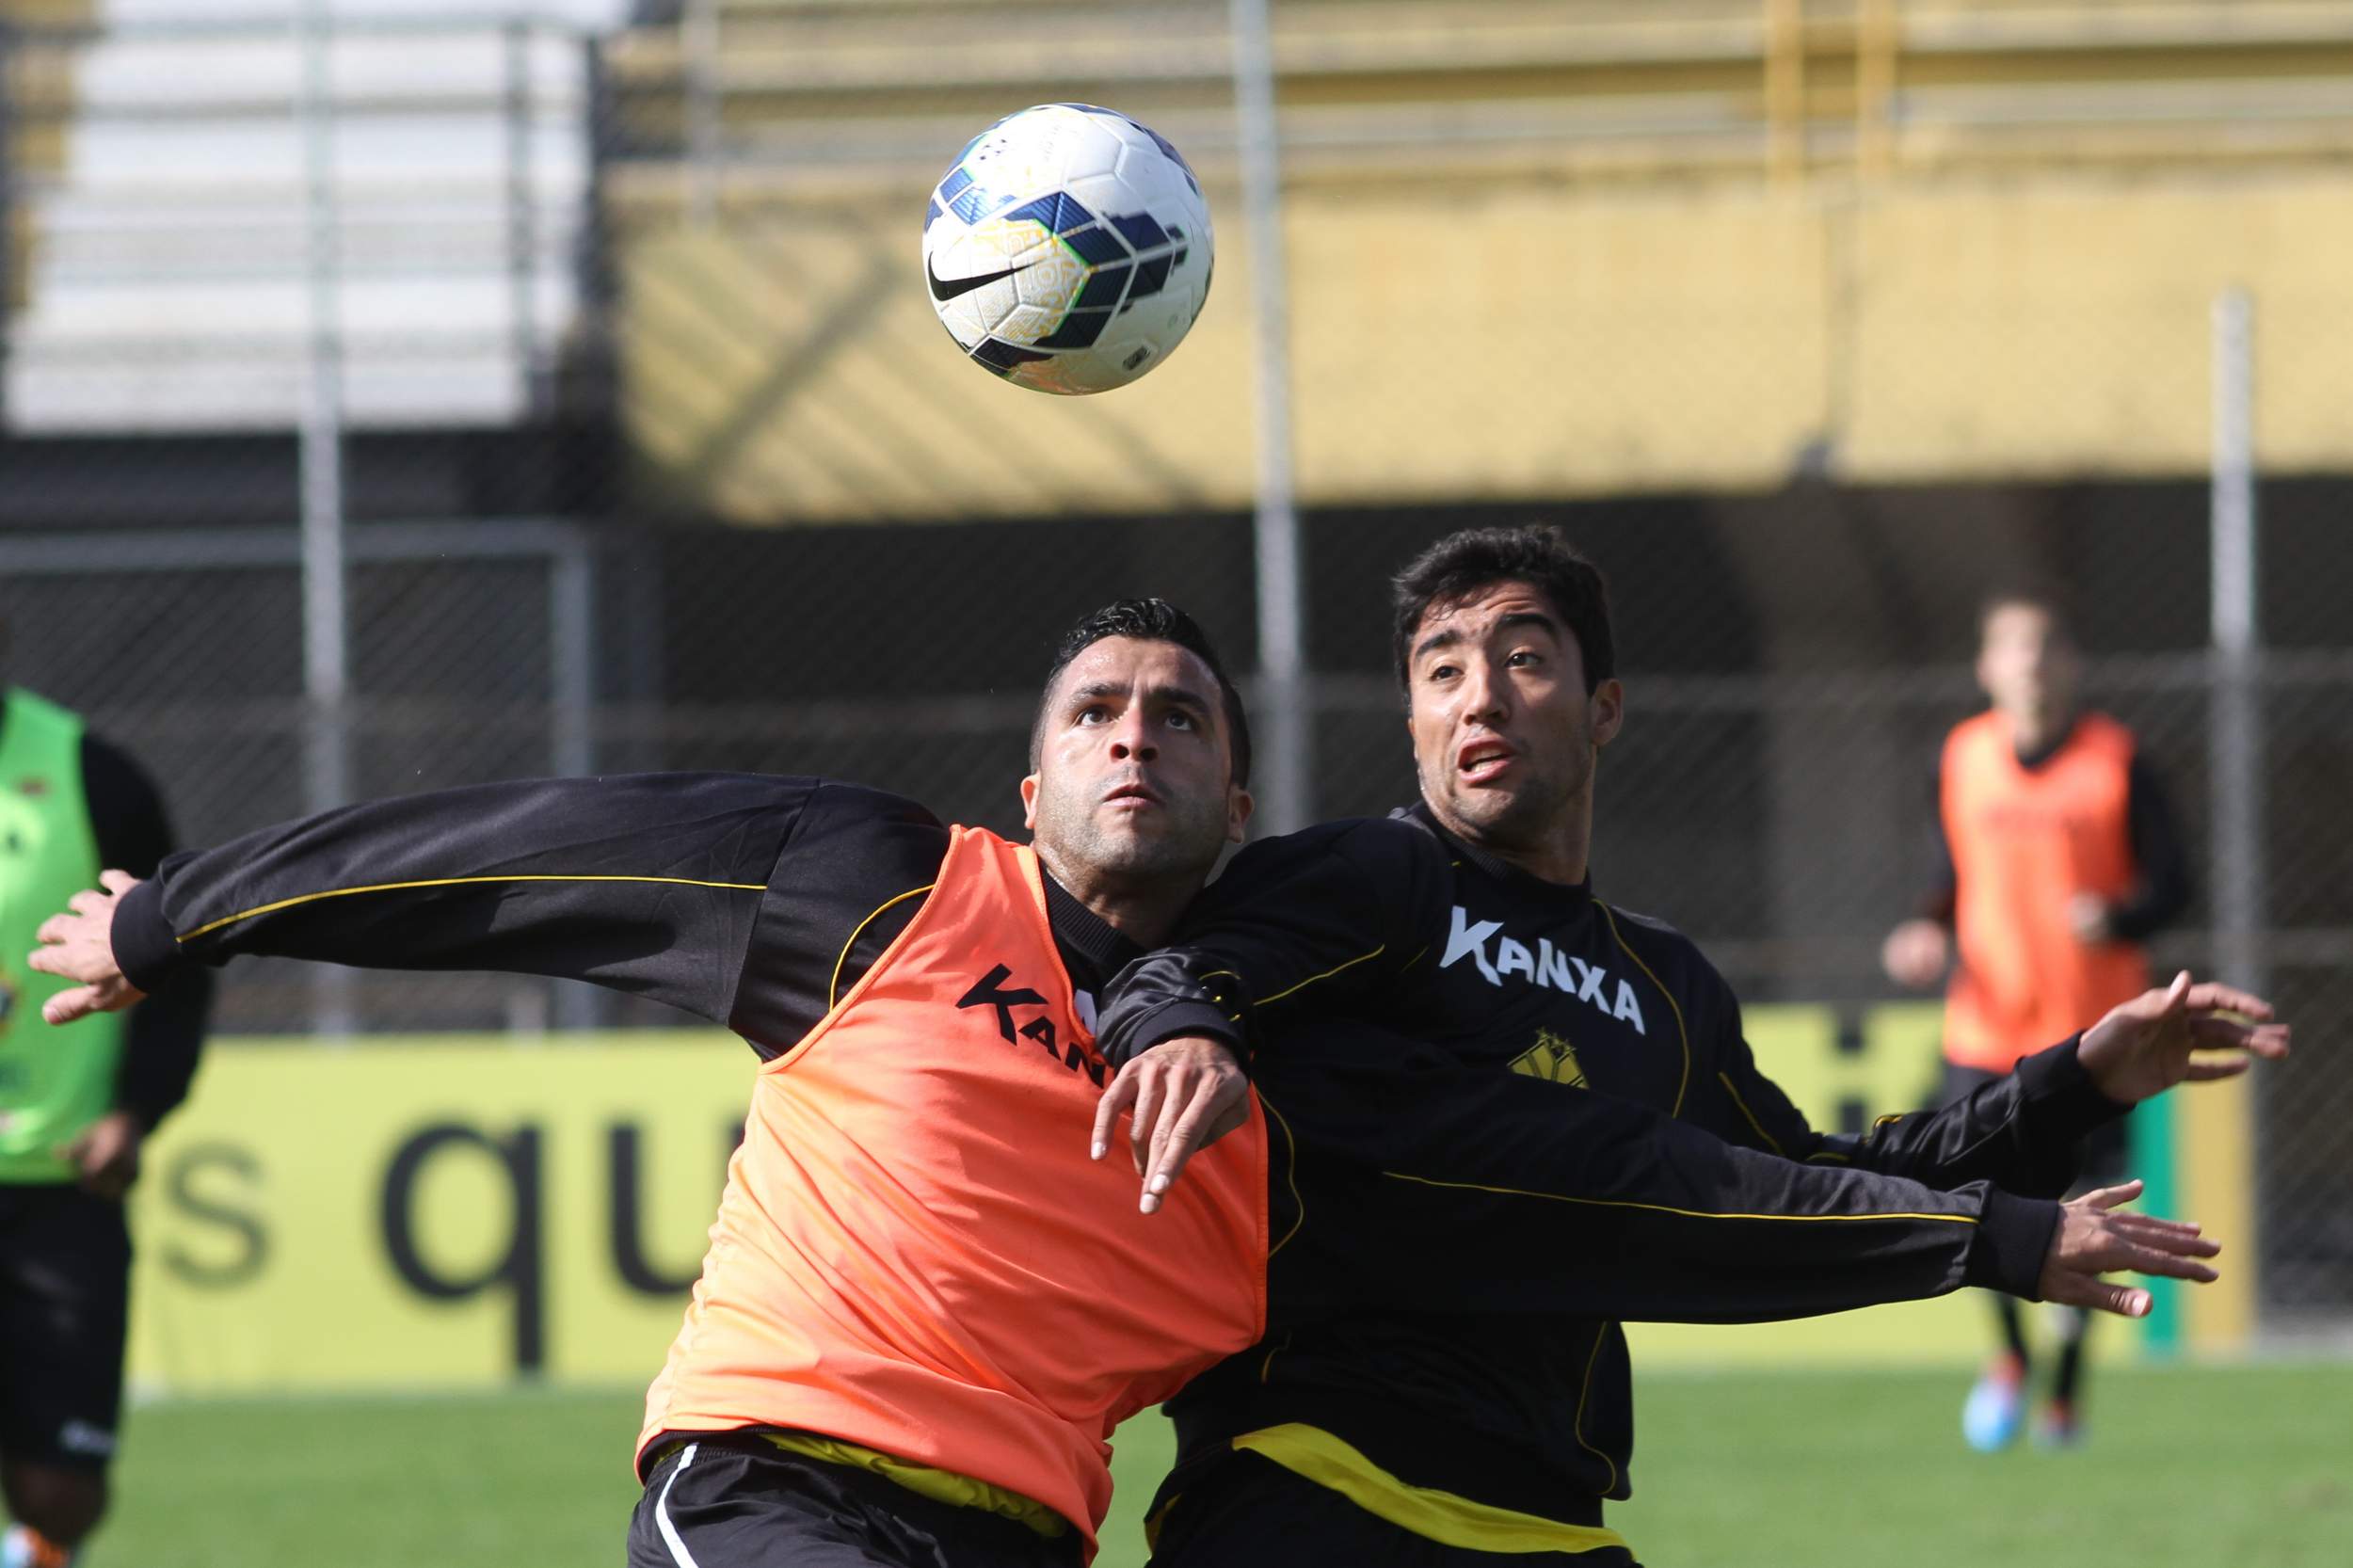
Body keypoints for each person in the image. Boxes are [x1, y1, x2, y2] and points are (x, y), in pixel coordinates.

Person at [28, 601, 2234, 1568]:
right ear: (1029, 772)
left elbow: (1626, 1184)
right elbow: (521, 858)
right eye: (1097, 706)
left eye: (1181, 714)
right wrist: (176, 914)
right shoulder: (876, 882)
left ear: (1244, 796)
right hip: (772, 1493)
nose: (1134, 734)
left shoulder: (1306, 1075)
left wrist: (2014, 1166)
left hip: (1034, 1541)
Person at [1095, 533, 2281, 1568]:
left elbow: (1810, 1173)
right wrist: (1187, 1026)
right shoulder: (1373, 878)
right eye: (1440, 670)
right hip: (1314, 1491)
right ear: (1411, 721)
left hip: (1551, 1522)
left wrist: (2076, 1077)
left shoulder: (1661, 982)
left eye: (1522, 658)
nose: (1480, 698)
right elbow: (1175, 969)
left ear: (1603, 705)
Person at [1881, 590, 2193, 1450]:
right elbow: (1949, 872)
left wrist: (2121, 918)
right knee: (1971, 1202)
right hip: (1984, 1032)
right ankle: (2015, 1357)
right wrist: (1925, 925)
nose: (2030, 663)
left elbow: (2174, 885)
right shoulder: (1961, 756)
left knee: (2091, 1212)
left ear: (2071, 664)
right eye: (2013, 648)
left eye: (2046, 647)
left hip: (2096, 1045)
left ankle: (2065, 1388)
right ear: (1987, 666)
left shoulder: (2118, 761)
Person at [0, 686, 211, 1568]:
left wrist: (137, 1111)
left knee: (63, 1490)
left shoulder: (93, 773)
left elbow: (179, 950)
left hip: (62, 1184)